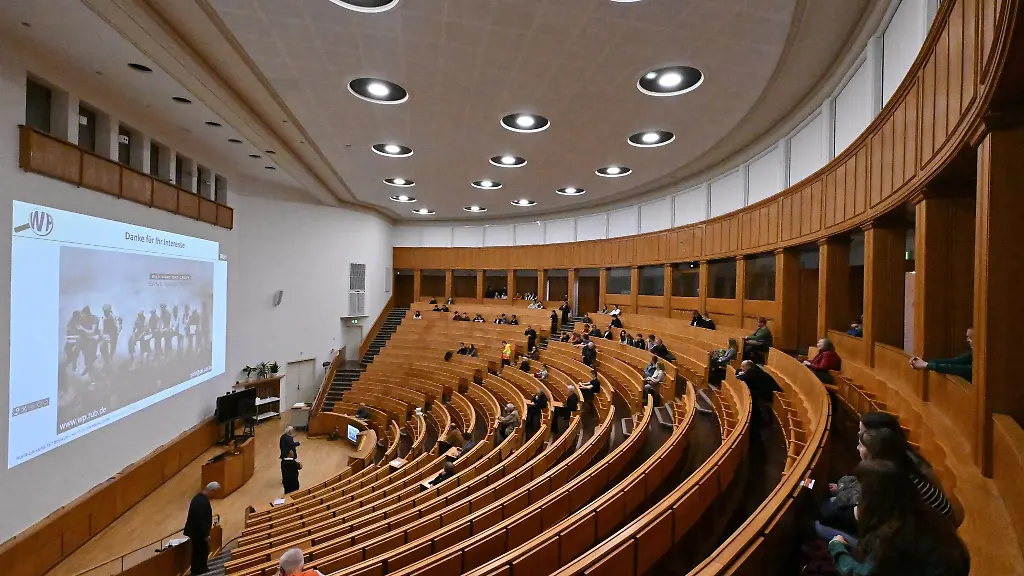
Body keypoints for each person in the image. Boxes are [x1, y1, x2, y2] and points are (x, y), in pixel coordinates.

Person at [827, 460, 969, 576]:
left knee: (818, 528)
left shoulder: (892, 537)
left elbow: (863, 573)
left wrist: (837, 549)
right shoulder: (923, 514)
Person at [184, 482, 219, 576]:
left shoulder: (199, 498)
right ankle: (199, 571)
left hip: (196, 532)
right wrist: (206, 535)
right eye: (214, 492)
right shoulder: (201, 501)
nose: (214, 495)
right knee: (200, 552)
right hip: (198, 533)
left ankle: (200, 570)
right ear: (211, 490)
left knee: (199, 552)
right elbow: (200, 520)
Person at [735, 360, 781, 430]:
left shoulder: (752, 371)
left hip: (770, 392)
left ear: (749, 366)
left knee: (752, 396)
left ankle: (757, 419)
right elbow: (739, 372)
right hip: (766, 390)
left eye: (743, 366)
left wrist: (740, 375)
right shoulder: (754, 370)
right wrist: (740, 373)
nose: (742, 368)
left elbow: (743, 378)